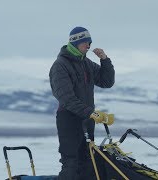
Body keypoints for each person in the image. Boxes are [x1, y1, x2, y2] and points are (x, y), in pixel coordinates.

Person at [49, 26, 115, 180]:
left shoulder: (86, 63)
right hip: (69, 120)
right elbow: (66, 98)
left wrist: (105, 60)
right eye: (85, 42)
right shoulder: (60, 65)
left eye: (90, 42)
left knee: (88, 164)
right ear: (75, 43)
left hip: (87, 120)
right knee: (71, 164)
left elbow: (107, 82)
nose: (89, 46)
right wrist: (90, 112)